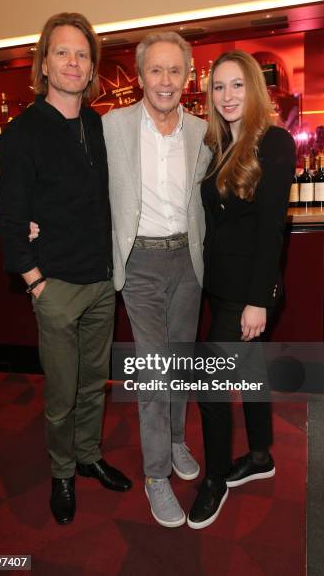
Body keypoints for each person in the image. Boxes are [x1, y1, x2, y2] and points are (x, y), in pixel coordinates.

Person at [0, 12, 131, 526]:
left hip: (101, 281)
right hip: (55, 287)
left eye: (82, 54)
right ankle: (62, 472)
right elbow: (12, 217)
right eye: (62, 52)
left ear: (91, 66)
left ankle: (89, 455)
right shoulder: (22, 133)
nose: (73, 62)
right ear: (44, 63)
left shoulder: (97, 124)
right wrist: (35, 283)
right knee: (61, 389)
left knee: (95, 381)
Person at [102, 32, 212, 527]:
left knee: (180, 360)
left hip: (187, 262)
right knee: (153, 370)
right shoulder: (113, 127)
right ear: (140, 76)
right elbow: (79, 184)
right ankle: (155, 476)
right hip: (140, 262)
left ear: (187, 76)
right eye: (155, 71)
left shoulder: (203, 132)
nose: (165, 81)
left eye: (175, 71)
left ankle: (173, 439)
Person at [187, 50, 296, 529]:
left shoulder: (275, 142)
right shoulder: (215, 144)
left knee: (209, 389)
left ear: (254, 88)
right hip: (221, 284)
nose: (227, 96)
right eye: (218, 87)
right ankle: (259, 454)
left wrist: (258, 301)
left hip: (249, 291)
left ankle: (214, 480)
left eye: (236, 85)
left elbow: (272, 228)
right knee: (250, 373)